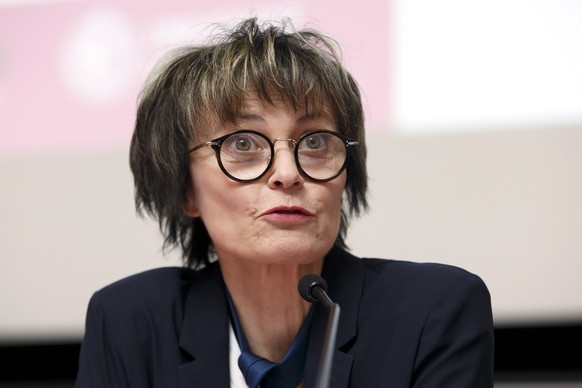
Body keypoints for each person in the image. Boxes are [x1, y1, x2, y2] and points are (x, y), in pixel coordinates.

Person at [75, 17, 494, 387]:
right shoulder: (132, 322)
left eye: (314, 142)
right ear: (185, 190)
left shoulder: (433, 312)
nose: (288, 173)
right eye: (242, 144)